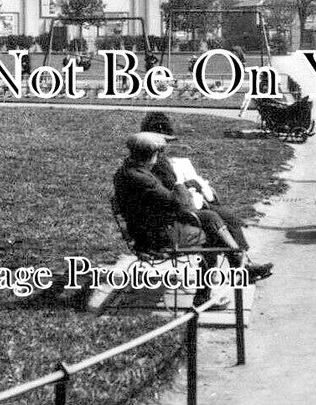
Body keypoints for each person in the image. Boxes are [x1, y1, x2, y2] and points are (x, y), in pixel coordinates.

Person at [114, 132, 268, 307]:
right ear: (150, 155)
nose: (159, 157)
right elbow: (178, 202)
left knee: (221, 215)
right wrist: (179, 181)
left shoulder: (131, 171)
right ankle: (206, 296)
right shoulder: (141, 178)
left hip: (153, 227)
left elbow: (165, 202)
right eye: (158, 153)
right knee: (212, 235)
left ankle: (241, 264)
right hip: (157, 236)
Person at [136, 112, 274, 279]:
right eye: (164, 142)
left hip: (171, 214)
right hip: (170, 221)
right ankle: (238, 268)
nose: (165, 146)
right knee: (213, 223)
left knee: (224, 215)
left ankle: (243, 264)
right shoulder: (157, 166)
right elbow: (173, 197)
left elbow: (169, 191)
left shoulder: (153, 163)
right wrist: (188, 190)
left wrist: (187, 188)